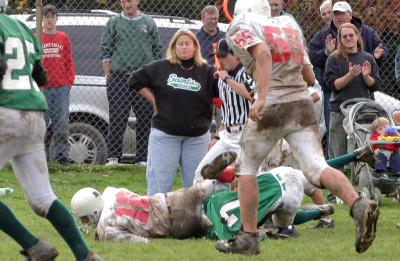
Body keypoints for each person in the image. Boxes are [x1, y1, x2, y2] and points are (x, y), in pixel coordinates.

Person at [215, 0, 379, 255]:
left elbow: (264, 54)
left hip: (272, 103)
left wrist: (262, 96)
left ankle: (248, 236)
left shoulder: (240, 24)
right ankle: (358, 204)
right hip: (301, 102)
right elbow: (310, 76)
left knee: (247, 167)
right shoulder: (288, 24)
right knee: (317, 166)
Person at [70, 150, 369, 243]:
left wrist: (98, 233)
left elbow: (142, 241)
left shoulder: (105, 224)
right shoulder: (111, 192)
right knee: (205, 186)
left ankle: (323, 209)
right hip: (169, 199)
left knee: (263, 224)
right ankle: (226, 175)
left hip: (174, 223)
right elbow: (109, 195)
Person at [0, 1, 102, 260]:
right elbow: (41, 75)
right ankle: (84, 254)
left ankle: (34, 246)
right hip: (34, 116)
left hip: (6, 113)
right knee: (42, 199)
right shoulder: (20, 27)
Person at [127, 29, 219, 195]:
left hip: (197, 137)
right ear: (174, 47)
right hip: (165, 135)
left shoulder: (207, 71)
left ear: (195, 47)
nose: (184, 47)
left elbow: (223, 96)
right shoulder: (161, 67)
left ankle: (195, 219)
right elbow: (134, 80)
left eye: (187, 44)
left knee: (197, 186)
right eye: (180, 44)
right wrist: (154, 100)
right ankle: (158, 218)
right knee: (159, 185)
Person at [309, 1, 387, 149]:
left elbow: (376, 82)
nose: (348, 38)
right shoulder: (327, 43)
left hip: (363, 107)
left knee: (363, 149)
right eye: (335, 14)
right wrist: (326, 53)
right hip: (339, 106)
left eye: (342, 13)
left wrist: (372, 66)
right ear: (340, 39)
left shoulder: (368, 41)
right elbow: (314, 58)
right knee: (338, 146)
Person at [100, 0, 162, 165]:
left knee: (145, 119)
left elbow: (157, 50)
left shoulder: (148, 22)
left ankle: (142, 158)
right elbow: (106, 49)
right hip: (119, 77)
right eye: (123, 2)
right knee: (117, 119)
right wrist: (108, 75)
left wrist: (154, 77)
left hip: (143, 78)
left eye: (130, 2)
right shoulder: (113, 23)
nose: (127, 5)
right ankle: (113, 157)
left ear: (137, 2)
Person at [193, 38, 255, 190]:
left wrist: (226, 79)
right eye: (218, 56)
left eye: (224, 56)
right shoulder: (222, 77)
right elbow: (228, 113)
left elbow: (250, 93)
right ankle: (204, 212)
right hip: (227, 136)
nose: (220, 59)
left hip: (246, 136)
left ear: (236, 55)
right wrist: (216, 136)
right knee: (201, 174)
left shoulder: (245, 72)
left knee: (247, 181)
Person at [324, 23, 380, 159]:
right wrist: (350, 75)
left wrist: (366, 77)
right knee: (338, 156)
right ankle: (338, 179)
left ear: (357, 37)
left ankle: (360, 179)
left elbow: (375, 86)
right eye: (345, 36)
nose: (348, 38)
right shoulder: (334, 59)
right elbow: (333, 85)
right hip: (340, 112)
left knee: (364, 154)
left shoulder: (368, 58)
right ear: (340, 40)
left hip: (363, 113)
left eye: (351, 35)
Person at [40, 4, 75, 165]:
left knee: (61, 124)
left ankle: (61, 157)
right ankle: (40, 158)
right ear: (42, 19)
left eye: (52, 16)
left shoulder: (63, 37)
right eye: (46, 16)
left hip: (61, 88)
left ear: (56, 18)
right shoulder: (37, 37)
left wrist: (68, 83)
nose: (49, 19)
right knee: (41, 124)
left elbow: (69, 62)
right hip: (42, 89)